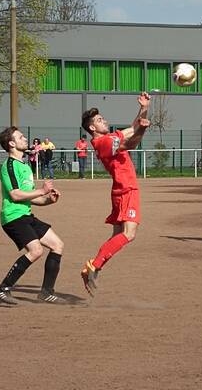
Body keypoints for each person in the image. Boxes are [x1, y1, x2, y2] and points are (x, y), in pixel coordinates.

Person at [79, 92, 151, 296]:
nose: (105, 121)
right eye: (100, 120)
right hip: (126, 189)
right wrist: (142, 129)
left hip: (121, 189)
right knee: (129, 234)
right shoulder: (102, 142)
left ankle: (91, 268)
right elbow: (131, 142)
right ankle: (94, 265)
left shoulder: (109, 137)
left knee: (118, 236)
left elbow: (133, 128)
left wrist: (144, 107)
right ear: (92, 128)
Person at [0, 126, 65, 305]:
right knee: (36, 251)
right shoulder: (9, 166)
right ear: (11, 143)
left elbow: (30, 198)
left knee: (57, 245)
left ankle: (46, 292)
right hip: (13, 218)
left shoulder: (25, 167)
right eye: (21, 137)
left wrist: (49, 200)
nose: (25, 139)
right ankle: (3, 288)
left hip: (26, 215)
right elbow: (15, 195)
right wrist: (41, 190)